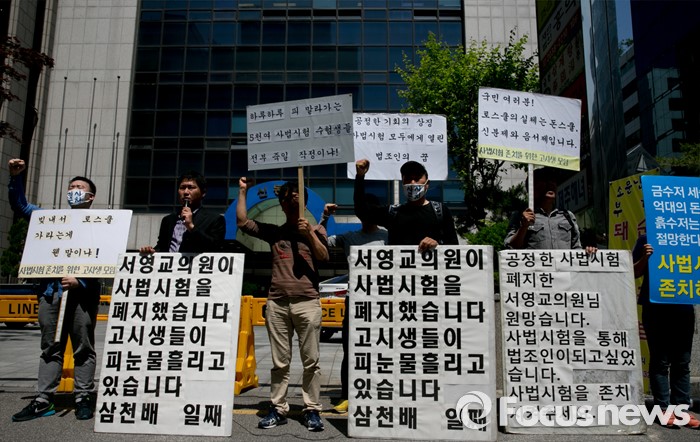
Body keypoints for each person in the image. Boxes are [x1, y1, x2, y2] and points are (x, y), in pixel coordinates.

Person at [8, 158, 101, 421]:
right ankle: (43, 399)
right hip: (51, 293)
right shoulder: (51, 220)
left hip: (82, 296)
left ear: (91, 196)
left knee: (83, 347)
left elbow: (106, 259)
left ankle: (83, 396)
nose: (74, 190)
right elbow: (21, 206)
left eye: (80, 187)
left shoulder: (102, 224)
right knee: (50, 347)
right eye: (71, 187)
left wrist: (81, 281)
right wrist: (15, 177)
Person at [236, 177, 329, 432]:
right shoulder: (274, 232)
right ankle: (278, 408)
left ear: (304, 202)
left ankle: (312, 409)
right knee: (280, 362)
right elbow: (242, 222)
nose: (291, 202)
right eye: (286, 199)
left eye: (296, 198)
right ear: (281, 203)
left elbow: (323, 256)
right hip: (277, 303)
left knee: (311, 361)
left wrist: (308, 232)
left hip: (307, 302)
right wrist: (243, 191)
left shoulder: (316, 230)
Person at [319, 196, 388, 414]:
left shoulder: (389, 236)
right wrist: (324, 217)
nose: (368, 216)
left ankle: (381, 393)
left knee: (383, 350)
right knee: (351, 350)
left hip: (384, 302)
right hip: (356, 300)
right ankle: (347, 396)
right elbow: (320, 242)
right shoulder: (349, 237)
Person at [633, 235, 699, 429]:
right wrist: (645, 257)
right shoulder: (647, 239)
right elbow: (634, 272)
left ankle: (681, 409)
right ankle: (662, 408)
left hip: (684, 307)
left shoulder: (692, 238)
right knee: (660, 361)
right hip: (655, 308)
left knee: (682, 362)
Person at [353, 159, 459, 249]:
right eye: (408, 178)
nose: (412, 183)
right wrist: (360, 176)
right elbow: (362, 211)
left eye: (417, 178)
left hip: (431, 267)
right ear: (402, 183)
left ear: (427, 184)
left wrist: (437, 246)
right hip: (400, 267)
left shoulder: (440, 211)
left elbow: (454, 248)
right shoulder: (393, 212)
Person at [504, 167, 596, 253]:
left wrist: (588, 252)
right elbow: (511, 248)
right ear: (531, 187)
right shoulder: (520, 216)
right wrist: (523, 227)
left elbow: (576, 249)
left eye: (553, 181)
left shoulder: (568, 216)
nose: (551, 184)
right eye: (545, 181)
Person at [139, 171, 225, 254]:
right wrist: (152, 251)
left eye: (191, 188)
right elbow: (162, 247)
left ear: (203, 193)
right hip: (172, 264)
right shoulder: (168, 220)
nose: (186, 192)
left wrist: (191, 226)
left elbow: (215, 247)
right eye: (182, 188)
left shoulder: (215, 220)